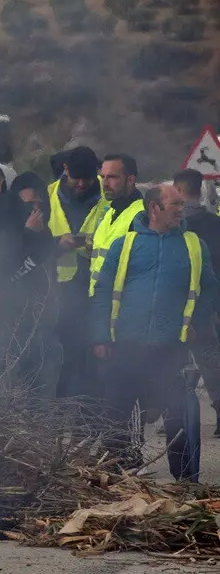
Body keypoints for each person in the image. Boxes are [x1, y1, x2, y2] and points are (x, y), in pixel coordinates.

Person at [92, 183, 216, 480]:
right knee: (117, 414)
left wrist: (197, 323)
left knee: (178, 414)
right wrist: (99, 336)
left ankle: (186, 479)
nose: (180, 209)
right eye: (173, 204)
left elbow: (209, 288)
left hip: (171, 347)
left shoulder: (193, 245)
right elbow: (101, 292)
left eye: (180, 204)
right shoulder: (125, 245)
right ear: (154, 208)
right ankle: (116, 473)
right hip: (126, 346)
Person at [0, 165, 60, 396]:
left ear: (3, 187)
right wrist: (29, 238)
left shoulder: (16, 214)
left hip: (34, 309)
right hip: (2, 310)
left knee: (40, 376)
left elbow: (45, 248)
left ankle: (39, 427)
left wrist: (34, 236)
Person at [46, 146, 108, 398]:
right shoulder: (49, 195)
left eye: (88, 178)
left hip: (96, 286)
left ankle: (89, 408)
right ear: (65, 170)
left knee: (92, 352)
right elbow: (33, 243)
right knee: (65, 353)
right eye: (76, 178)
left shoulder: (109, 193)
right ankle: (65, 405)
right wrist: (57, 245)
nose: (81, 184)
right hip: (59, 288)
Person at [174, 168, 220, 436]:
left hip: (177, 302)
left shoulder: (176, 224)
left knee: (174, 359)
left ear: (179, 191)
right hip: (209, 301)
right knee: (211, 359)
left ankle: (176, 414)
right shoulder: (214, 223)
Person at [89, 154, 144, 298]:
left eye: (112, 177)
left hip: (121, 305)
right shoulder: (110, 212)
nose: (105, 183)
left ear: (130, 180)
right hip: (99, 300)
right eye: (103, 177)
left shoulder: (141, 215)